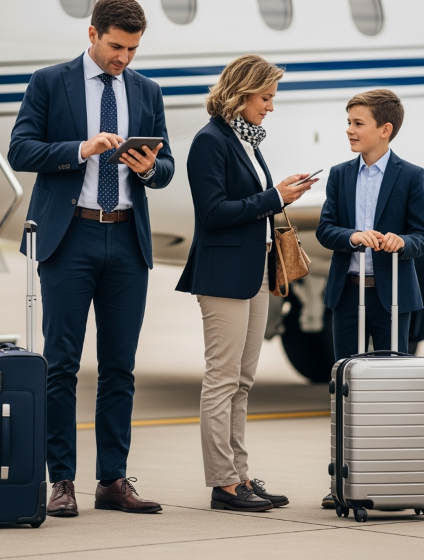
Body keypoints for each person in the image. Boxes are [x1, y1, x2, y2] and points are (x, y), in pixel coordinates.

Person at [7, 0, 174, 517]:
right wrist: (80, 149)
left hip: (126, 239)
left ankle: (113, 480)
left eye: (132, 49)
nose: (123, 58)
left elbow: (166, 167)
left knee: (120, 368)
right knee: (61, 366)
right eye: (116, 47)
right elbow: (20, 150)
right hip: (70, 236)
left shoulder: (147, 90)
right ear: (93, 34)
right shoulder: (49, 82)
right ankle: (62, 482)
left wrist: (148, 168)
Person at [176, 55, 317, 512]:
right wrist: (275, 196)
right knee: (221, 379)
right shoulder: (209, 141)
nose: (271, 107)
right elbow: (213, 213)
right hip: (221, 275)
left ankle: (239, 476)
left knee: (242, 380)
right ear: (242, 93)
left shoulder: (247, 141)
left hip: (254, 271)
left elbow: (249, 201)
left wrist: (280, 191)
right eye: (266, 97)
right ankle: (223, 483)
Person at [315, 89, 424, 508]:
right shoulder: (341, 174)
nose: (349, 130)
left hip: (390, 298)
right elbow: (326, 229)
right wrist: (350, 236)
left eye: (357, 123)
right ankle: (342, 483)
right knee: (343, 388)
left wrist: (401, 241)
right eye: (348, 122)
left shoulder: (411, 175)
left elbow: (422, 237)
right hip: (347, 295)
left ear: (385, 130)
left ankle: (387, 477)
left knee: (388, 391)